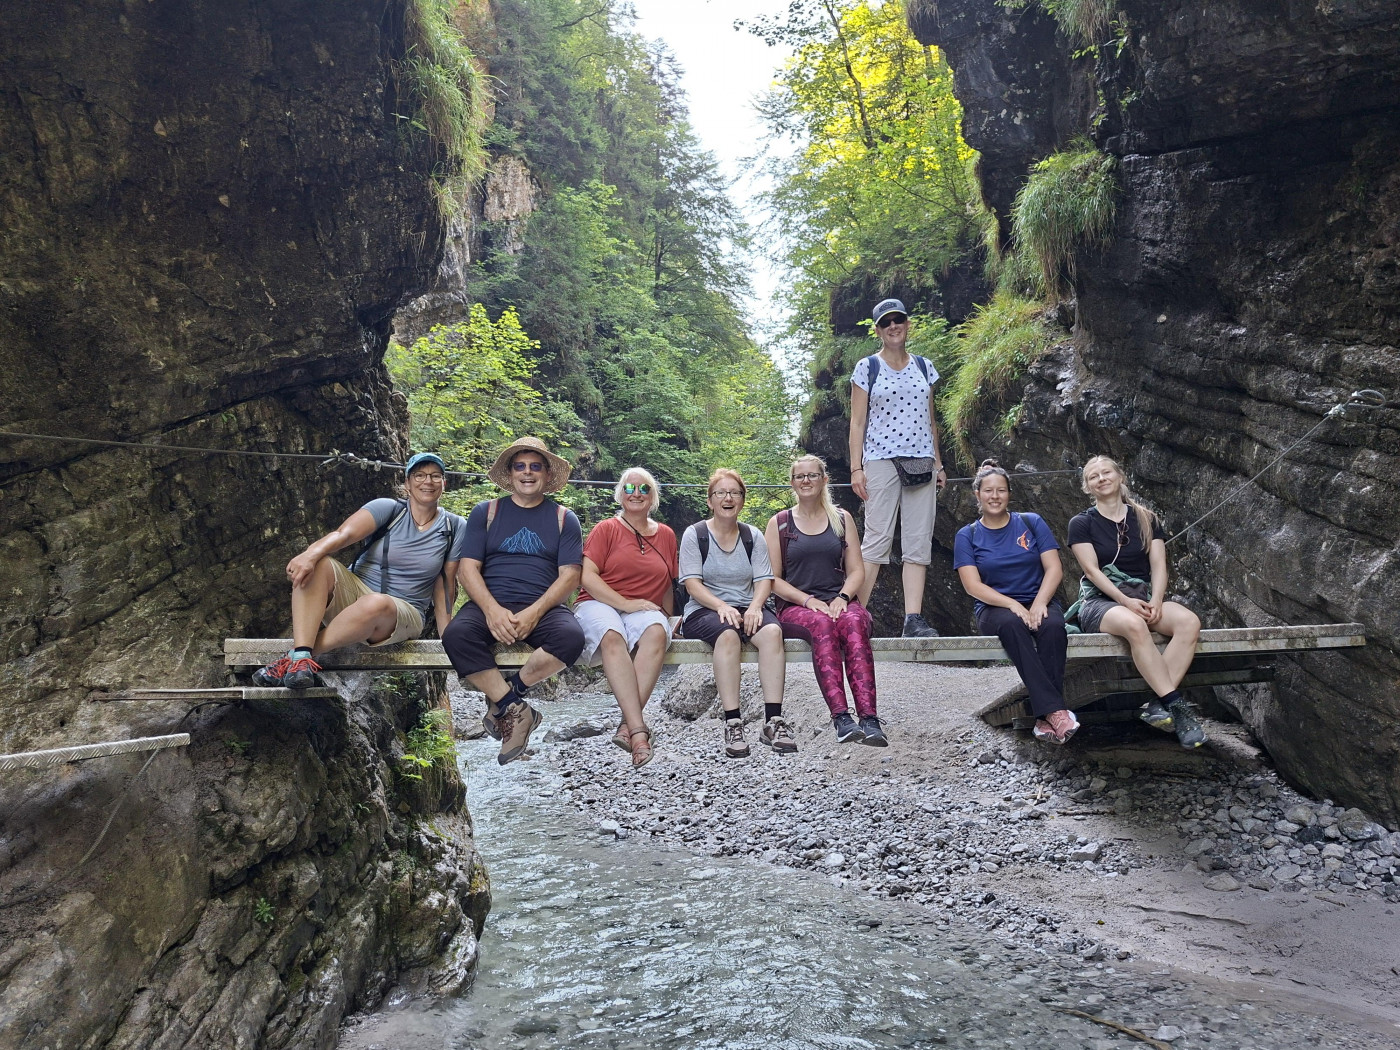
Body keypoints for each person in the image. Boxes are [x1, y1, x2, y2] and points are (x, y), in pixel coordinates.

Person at [252, 452, 467, 689]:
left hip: (403, 612)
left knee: (376, 603)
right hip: (356, 597)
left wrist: (447, 635)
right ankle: (301, 657)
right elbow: (343, 534)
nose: (428, 481)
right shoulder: (388, 509)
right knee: (319, 563)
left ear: (444, 483)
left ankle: (294, 658)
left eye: (435, 476)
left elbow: (445, 582)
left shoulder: (454, 526)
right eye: (420, 475)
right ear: (407, 483)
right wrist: (309, 555)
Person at [441, 437, 585, 765]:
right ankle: (517, 710)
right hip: (490, 601)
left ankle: (506, 697)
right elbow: (467, 569)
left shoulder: (564, 518)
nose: (527, 472)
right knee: (456, 635)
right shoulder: (486, 513)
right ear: (510, 473)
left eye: (535, 466)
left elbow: (570, 576)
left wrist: (534, 612)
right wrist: (492, 611)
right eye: (520, 466)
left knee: (571, 637)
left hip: (543, 605)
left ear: (547, 474)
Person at [1068, 455, 1205, 748]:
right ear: (1087, 487)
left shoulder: (1146, 518)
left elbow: (1158, 566)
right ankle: (1178, 709)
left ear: (1120, 477)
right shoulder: (1081, 523)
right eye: (1094, 476)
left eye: (1107, 472)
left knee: (1188, 622)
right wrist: (1124, 601)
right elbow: (1091, 571)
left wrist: (1156, 600)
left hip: (1143, 595)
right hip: (1101, 602)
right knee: (1134, 625)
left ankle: (1158, 704)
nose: (1102, 479)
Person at [953, 460, 1078, 744]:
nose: (995, 496)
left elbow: (1054, 568)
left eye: (1001, 490)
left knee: (1053, 627)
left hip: (1039, 599)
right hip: (994, 608)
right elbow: (972, 586)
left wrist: (1039, 603)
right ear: (977, 494)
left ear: (1009, 493)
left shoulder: (1031, 522)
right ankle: (1056, 712)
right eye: (988, 491)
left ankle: (1044, 718)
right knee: (1013, 626)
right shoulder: (967, 535)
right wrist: (1013, 605)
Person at [765, 454, 884, 745]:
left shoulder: (842, 519)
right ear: (792, 483)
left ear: (824, 480)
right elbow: (772, 579)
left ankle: (869, 719)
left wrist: (843, 597)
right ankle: (841, 718)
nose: (806, 481)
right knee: (822, 624)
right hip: (797, 607)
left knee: (854, 621)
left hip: (839, 600)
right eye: (800, 476)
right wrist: (807, 601)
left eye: (812, 475)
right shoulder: (780, 523)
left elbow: (857, 570)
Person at [847, 297, 947, 638]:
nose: (893, 327)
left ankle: (913, 620)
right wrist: (856, 468)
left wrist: (939, 463)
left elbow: (931, 420)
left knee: (918, 540)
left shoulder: (924, 366)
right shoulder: (867, 367)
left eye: (898, 320)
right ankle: (855, 617)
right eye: (886, 322)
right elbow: (857, 422)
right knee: (876, 540)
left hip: (922, 459)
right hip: (880, 459)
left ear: (907, 324)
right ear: (877, 330)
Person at [679, 468, 794, 759]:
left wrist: (755, 606)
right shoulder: (695, 534)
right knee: (728, 635)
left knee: (772, 632)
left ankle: (773, 721)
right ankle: (733, 723)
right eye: (721, 493)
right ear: (710, 500)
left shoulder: (752, 535)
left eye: (735, 493)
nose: (728, 498)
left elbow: (764, 579)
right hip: (705, 609)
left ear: (742, 500)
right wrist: (721, 606)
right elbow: (692, 584)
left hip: (747, 606)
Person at [575, 467, 678, 768]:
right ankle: (638, 732)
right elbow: (587, 577)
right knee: (611, 634)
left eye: (644, 489)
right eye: (629, 488)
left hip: (641, 608)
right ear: (620, 495)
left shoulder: (667, 535)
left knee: (657, 631)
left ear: (653, 497)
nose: (636, 494)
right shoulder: (606, 529)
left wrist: (669, 618)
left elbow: (668, 584)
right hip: (598, 603)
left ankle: (626, 724)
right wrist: (624, 603)